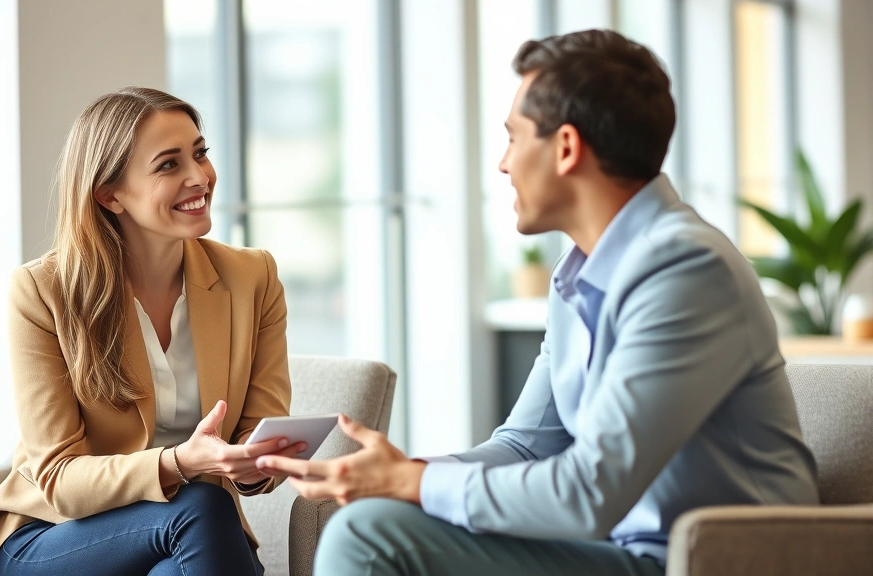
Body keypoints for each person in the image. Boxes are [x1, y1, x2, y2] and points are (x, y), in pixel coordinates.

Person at [257, 29, 820, 576]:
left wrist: (411, 484)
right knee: (377, 518)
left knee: (370, 534)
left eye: (513, 137)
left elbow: (589, 491)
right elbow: (527, 446)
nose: (503, 164)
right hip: (623, 549)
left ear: (567, 147)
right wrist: (402, 472)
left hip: (716, 559)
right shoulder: (575, 276)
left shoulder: (686, 271)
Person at [0, 87, 304, 576]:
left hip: (189, 535)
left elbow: (258, 429)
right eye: (169, 165)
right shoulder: (42, 292)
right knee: (200, 507)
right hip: (55, 537)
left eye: (200, 153)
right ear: (110, 195)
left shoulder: (251, 278)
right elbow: (59, 479)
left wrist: (255, 465)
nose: (200, 177)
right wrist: (181, 463)